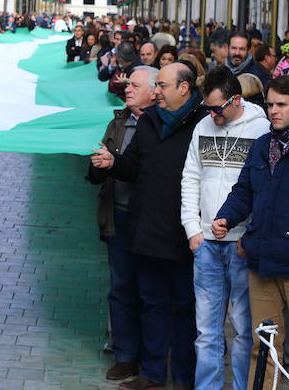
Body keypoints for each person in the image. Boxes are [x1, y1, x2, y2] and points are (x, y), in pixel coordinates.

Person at [214, 75, 289, 390]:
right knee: (264, 347)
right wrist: (226, 217)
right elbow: (243, 192)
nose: (273, 111)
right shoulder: (262, 146)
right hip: (263, 263)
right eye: (269, 104)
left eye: (281, 105)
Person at [90, 62, 206, 390]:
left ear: (184, 88)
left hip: (185, 231)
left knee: (185, 307)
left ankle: (183, 376)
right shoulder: (151, 121)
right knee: (152, 302)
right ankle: (154, 373)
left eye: (162, 86)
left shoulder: (202, 123)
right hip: (148, 228)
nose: (156, 92)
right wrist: (114, 163)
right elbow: (135, 167)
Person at [180, 66, 269, 390]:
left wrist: (250, 235)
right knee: (207, 331)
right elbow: (191, 177)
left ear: (236, 99)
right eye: (208, 108)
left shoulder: (261, 129)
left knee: (245, 329)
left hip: (241, 244)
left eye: (218, 108)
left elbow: (264, 189)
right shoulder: (203, 126)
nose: (213, 115)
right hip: (206, 244)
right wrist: (193, 230)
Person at [87, 66, 159, 382]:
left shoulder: (163, 126)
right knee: (121, 288)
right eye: (127, 84)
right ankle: (125, 355)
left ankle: (152, 357)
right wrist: (98, 166)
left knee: (152, 290)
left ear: (155, 91)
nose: (126, 89)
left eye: (134, 85)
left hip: (153, 221)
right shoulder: (117, 123)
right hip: (119, 215)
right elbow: (96, 175)